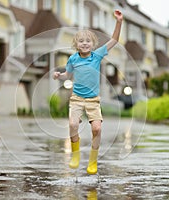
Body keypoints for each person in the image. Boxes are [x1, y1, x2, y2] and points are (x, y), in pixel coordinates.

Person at [53, 10, 123, 174]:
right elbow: (68, 75)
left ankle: (92, 161)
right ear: (76, 44)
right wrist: (59, 75)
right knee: (72, 124)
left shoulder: (97, 55)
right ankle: (75, 155)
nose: (85, 43)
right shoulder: (73, 59)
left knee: (97, 129)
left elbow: (114, 40)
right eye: (81, 41)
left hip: (93, 100)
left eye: (88, 41)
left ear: (93, 44)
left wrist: (119, 22)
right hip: (77, 98)